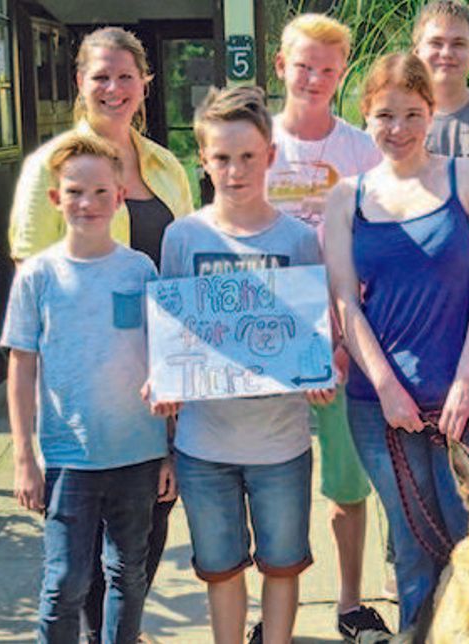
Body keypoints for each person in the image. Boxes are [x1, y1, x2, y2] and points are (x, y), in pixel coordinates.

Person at [6, 26, 192, 642]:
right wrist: (29, 444)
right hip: (81, 414)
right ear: (81, 83)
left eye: (125, 76)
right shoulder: (49, 168)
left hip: (152, 403)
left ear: (145, 83)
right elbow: (39, 303)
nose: (113, 88)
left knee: (136, 552)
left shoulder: (167, 165)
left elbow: (184, 279)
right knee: (74, 568)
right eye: (99, 76)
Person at [323, 53, 469, 631]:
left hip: (464, 407)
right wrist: (386, 389)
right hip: (381, 411)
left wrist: (466, 381)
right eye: (383, 115)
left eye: (410, 113)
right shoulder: (345, 198)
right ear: (366, 118)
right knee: (411, 552)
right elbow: (346, 303)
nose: (397, 128)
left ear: (432, 112)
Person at [159, 86, 325, 644]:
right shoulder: (182, 237)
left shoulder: (299, 240)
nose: (235, 170)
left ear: (271, 156)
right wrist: (163, 379)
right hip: (205, 446)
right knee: (220, 568)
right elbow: (172, 333)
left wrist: (321, 375)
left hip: (281, 443)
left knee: (282, 564)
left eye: (248, 156)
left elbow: (314, 335)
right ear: (203, 161)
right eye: (222, 158)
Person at [264, 14, 388, 642]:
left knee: (344, 479)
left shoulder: (360, 149)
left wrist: (343, 340)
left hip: (341, 341)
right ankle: (269, 612)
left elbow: (371, 244)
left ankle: (347, 601)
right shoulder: (257, 140)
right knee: (268, 479)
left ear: (343, 76)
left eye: (329, 69)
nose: (314, 78)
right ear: (281, 66)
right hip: (265, 344)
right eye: (304, 65)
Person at [412, 0, 469, 158]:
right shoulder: (394, 116)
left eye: (458, 44)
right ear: (417, 53)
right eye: (436, 43)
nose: (446, 53)